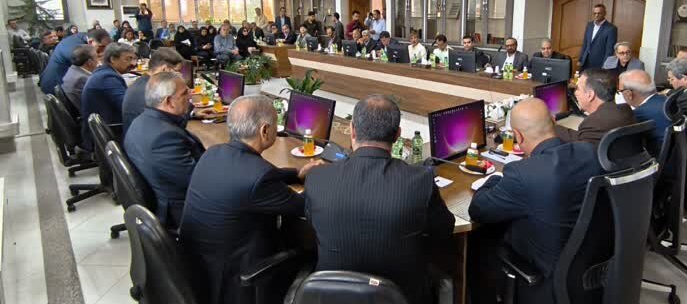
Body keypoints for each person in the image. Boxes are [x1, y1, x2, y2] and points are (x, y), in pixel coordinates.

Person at [304, 95, 454, 304]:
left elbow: (311, 222)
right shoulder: (421, 181)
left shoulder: (317, 178)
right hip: (401, 297)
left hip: (331, 298)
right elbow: (445, 229)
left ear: (352, 130)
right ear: (398, 135)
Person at [180, 95, 323, 304]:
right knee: (308, 246)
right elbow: (306, 207)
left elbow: (258, 174)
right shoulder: (259, 177)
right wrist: (325, 182)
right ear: (265, 130)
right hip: (236, 277)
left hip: (200, 267)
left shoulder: (214, 153)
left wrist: (297, 174)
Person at [468, 98, 602, 304]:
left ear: (518, 136)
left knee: (478, 240)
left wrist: (493, 179)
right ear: (553, 122)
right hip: (588, 268)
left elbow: (478, 210)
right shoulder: (589, 152)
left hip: (546, 277)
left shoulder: (522, 174)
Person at [125, 71, 205, 230]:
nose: (190, 96)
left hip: (166, 194)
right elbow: (198, 182)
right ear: (169, 101)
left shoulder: (143, 121)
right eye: (184, 93)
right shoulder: (164, 139)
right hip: (183, 212)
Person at [555, 68, 636, 145]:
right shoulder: (626, 110)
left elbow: (578, 141)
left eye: (578, 89)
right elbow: (581, 137)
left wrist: (550, 126)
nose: (575, 93)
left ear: (590, 95)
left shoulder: (593, 123)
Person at [80, 43, 137, 150]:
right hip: (109, 135)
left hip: (102, 130)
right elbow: (127, 108)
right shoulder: (107, 78)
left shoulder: (103, 72)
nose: (133, 63)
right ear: (113, 59)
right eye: (128, 59)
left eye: (133, 59)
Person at [122, 47, 185, 133]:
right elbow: (175, 124)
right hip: (148, 137)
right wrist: (187, 105)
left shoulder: (142, 83)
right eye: (177, 72)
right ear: (164, 69)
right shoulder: (151, 91)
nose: (180, 76)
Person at [40, 28, 111, 95]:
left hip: (66, 83)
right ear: (91, 42)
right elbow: (92, 69)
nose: (102, 52)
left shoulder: (84, 37)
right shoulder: (75, 49)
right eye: (101, 47)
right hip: (55, 85)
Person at [618, 70, 669, 150]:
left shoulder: (638, 114)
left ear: (629, 94)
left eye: (620, 91)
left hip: (655, 154)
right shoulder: (665, 99)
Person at [578, 4, 617, 71]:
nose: (596, 15)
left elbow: (609, 50)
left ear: (605, 13)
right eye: (595, 13)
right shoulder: (589, 25)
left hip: (599, 64)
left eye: (599, 13)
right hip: (585, 62)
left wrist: (605, 66)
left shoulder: (611, 28)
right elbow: (585, 43)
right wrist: (580, 59)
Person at [61, 45, 99, 114]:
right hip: (90, 114)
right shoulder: (81, 80)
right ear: (90, 62)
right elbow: (97, 102)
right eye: (96, 57)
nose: (98, 60)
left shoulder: (73, 69)